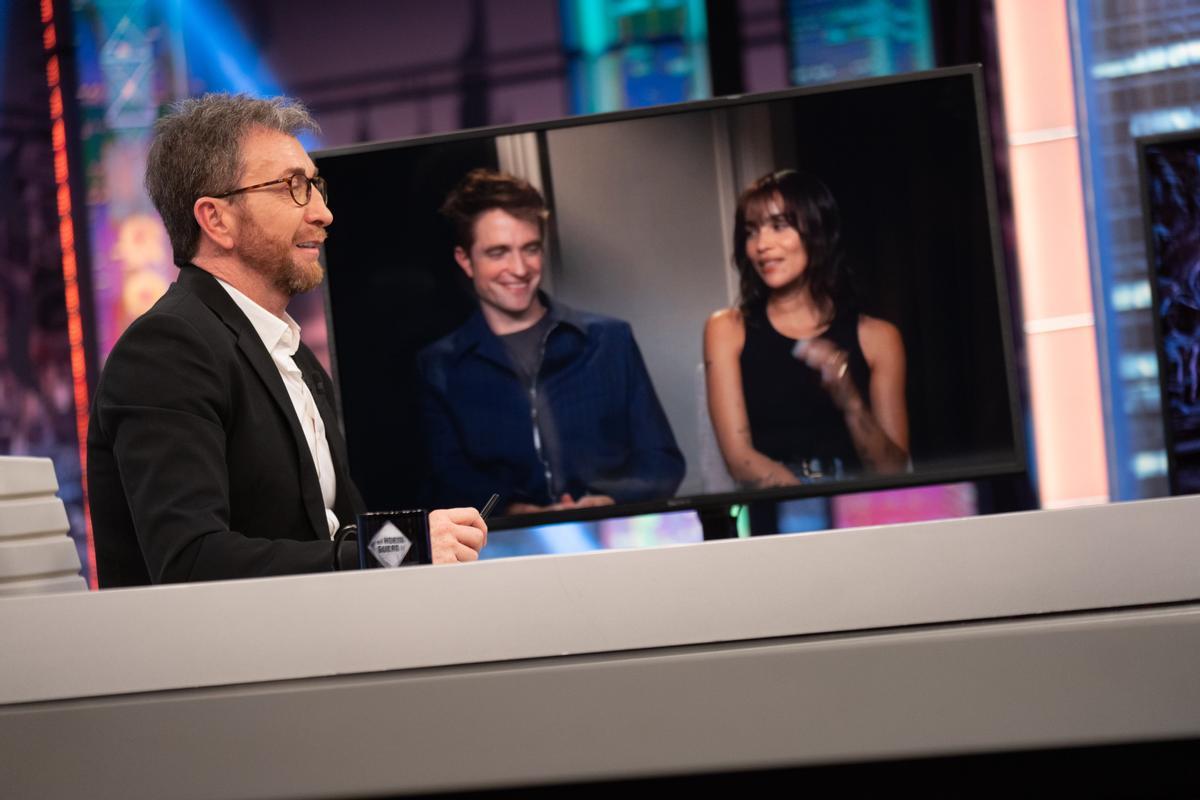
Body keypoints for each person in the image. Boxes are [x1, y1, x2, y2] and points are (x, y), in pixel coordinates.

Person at [87, 94, 487, 587]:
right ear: (216, 219)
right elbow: (192, 562)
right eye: (292, 188)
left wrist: (419, 544)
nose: (323, 213)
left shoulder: (289, 352)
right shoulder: (167, 349)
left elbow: (337, 532)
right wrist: (399, 548)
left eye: (316, 186)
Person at [418, 169, 685, 514]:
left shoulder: (609, 340)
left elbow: (662, 462)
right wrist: (513, 511)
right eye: (498, 252)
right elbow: (444, 480)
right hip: (502, 551)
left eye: (530, 249)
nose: (519, 268)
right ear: (466, 261)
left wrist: (609, 501)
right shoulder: (439, 365)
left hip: (612, 540)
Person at [704, 170, 909, 488]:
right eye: (751, 232)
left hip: (857, 508)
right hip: (777, 510)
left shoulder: (879, 337)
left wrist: (851, 402)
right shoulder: (727, 329)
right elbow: (740, 459)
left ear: (818, 231)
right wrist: (809, 511)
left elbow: (892, 471)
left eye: (779, 226)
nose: (762, 245)